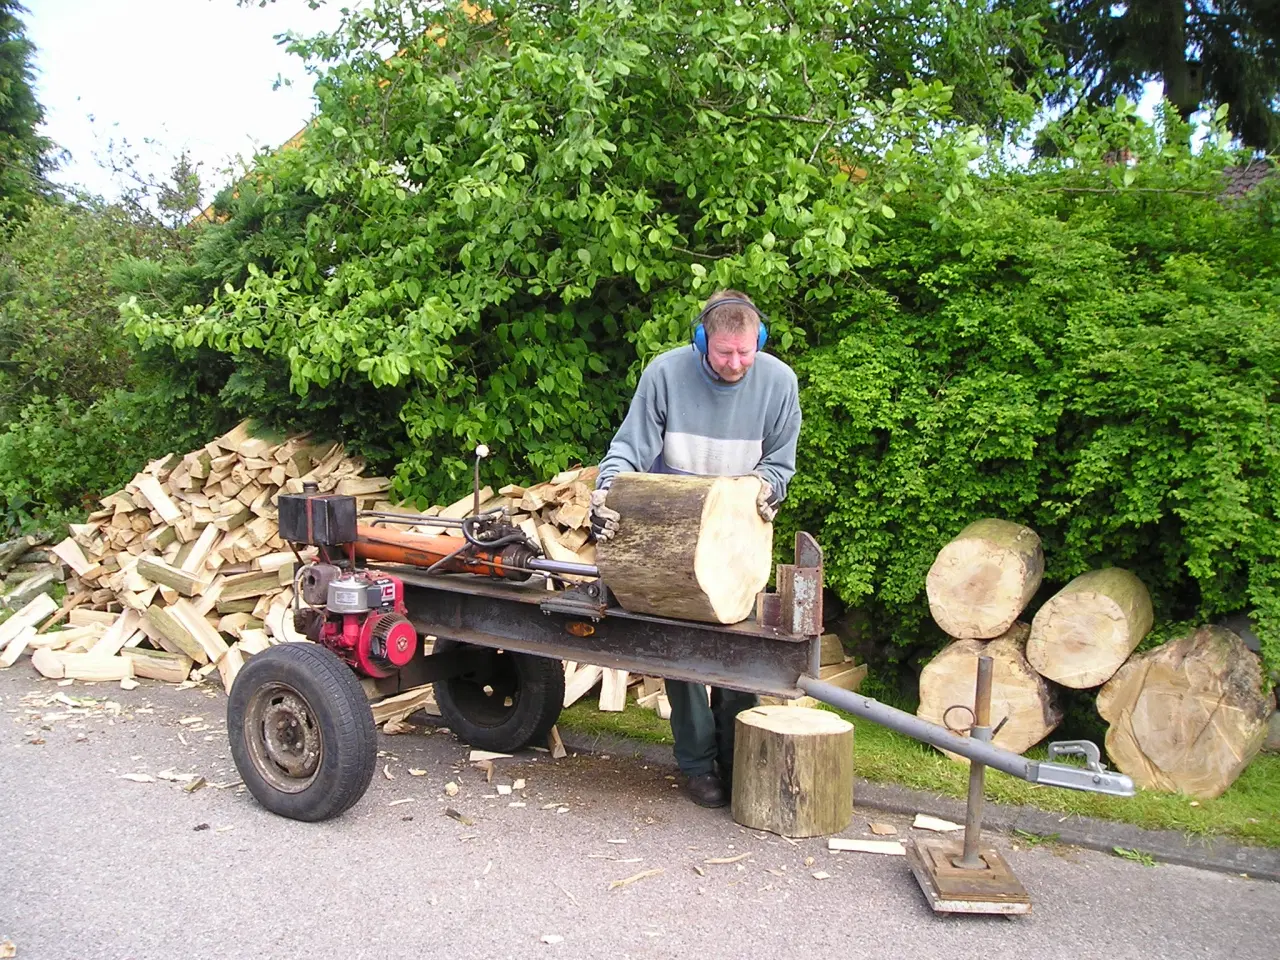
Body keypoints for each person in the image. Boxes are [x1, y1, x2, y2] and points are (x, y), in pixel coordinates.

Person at [589, 289, 802, 808]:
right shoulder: (665, 374)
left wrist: (766, 489)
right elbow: (629, 448)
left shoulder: (779, 383)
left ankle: (739, 758)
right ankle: (697, 765)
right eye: (725, 352)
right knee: (682, 659)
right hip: (673, 536)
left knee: (739, 653)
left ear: (760, 341)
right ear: (702, 340)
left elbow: (779, 463)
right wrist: (607, 491)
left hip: (739, 540)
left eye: (746, 352)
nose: (736, 363)